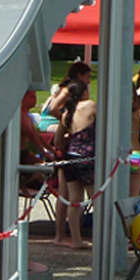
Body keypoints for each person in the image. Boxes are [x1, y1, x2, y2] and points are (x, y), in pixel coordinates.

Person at [53, 80, 97, 248]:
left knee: (74, 201)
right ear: (84, 92)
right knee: (97, 199)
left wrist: (72, 139)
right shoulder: (90, 106)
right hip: (87, 158)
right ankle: (102, 237)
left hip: (71, 158)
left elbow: (57, 140)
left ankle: (76, 240)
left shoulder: (67, 114)